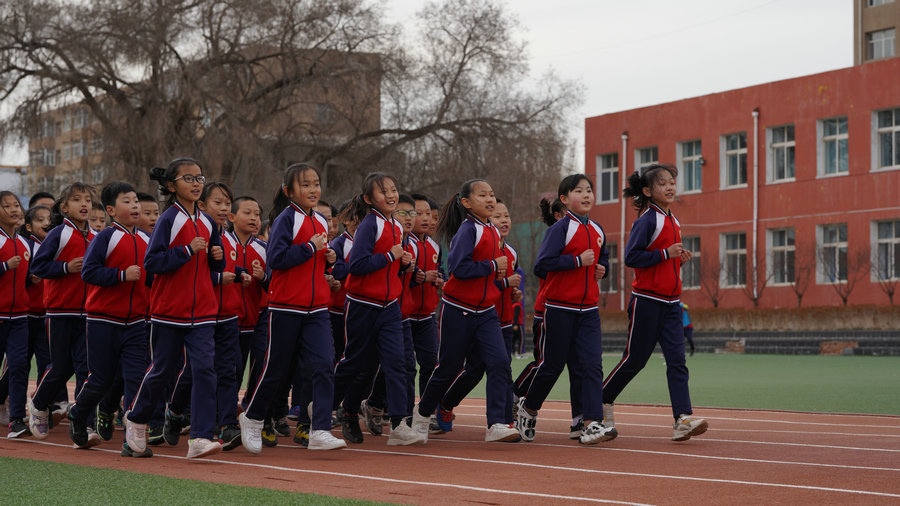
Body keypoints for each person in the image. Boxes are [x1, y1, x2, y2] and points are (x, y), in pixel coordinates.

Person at [238, 163, 346, 452]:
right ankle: (252, 416)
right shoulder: (286, 219)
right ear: (289, 191)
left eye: (316, 183)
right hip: (286, 307)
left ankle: (320, 429)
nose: (313, 189)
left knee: (324, 365)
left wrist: (329, 258)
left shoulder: (322, 222)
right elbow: (277, 258)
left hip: (317, 308)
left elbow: (316, 262)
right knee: (276, 368)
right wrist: (311, 248)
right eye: (305, 184)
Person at [123, 157, 225, 459]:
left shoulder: (208, 221)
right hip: (169, 312)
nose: (196, 184)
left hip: (204, 311)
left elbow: (213, 265)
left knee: (206, 370)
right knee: (163, 370)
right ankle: (137, 418)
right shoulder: (169, 219)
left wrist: (217, 257)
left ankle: (200, 437)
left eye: (199, 178)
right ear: (171, 185)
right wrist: (185, 250)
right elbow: (152, 263)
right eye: (188, 178)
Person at [602, 163, 708, 442]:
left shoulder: (674, 220)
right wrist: (664, 254)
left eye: (672, 182)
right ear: (648, 191)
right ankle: (600, 400)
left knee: (678, 361)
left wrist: (677, 260)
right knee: (635, 360)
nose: (670, 187)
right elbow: (631, 258)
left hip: (672, 304)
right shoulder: (648, 220)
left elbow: (662, 262)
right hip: (647, 302)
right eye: (663, 183)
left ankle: (682, 419)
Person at [411, 179, 520, 443]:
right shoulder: (468, 230)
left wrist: (501, 281)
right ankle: (422, 414)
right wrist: (493, 265)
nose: (490, 198)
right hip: (457, 310)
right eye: (483, 195)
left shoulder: (492, 231)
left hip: (486, 312)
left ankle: (496, 424)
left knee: (499, 362)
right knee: (448, 368)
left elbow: (486, 275)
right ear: (467, 203)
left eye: (492, 194)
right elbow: (459, 269)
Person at [515, 175, 617, 445]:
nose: (586, 195)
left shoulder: (597, 230)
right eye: (579, 191)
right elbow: (542, 265)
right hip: (559, 308)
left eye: (589, 190)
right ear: (564, 199)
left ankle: (590, 423)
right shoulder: (561, 229)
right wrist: (576, 261)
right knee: (552, 365)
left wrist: (602, 269)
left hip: (589, 310)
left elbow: (602, 258)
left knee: (592, 365)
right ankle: (528, 408)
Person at [331, 172, 424, 446]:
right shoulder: (370, 225)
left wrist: (404, 264)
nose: (391, 195)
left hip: (390, 307)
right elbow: (357, 266)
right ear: (369, 199)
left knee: (397, 363)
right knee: (354, 364)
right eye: (383, 192)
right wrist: (390, 256)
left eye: (393, 189)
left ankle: (398, 425)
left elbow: (390, 267)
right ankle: (324, 408)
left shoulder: (396, 225)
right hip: (362, 305)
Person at [67, 182, 149, 450]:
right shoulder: (106, 237)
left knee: (137, 378)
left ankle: (133, 437)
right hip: (103, 320)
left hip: (137, 322)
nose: (135, 205)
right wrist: (121, 275)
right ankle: (79, 414)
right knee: (101, 379)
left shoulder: (148, 239)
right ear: (112, 210)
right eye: (127, 201)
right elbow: (88, 272)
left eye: (136, 200)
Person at [28, 183, 97, 440]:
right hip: (59, 312)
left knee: (85, 368)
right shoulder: (58, 234)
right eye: (77, 199)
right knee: (60, 367)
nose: (84, 204)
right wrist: (66, 268)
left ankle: (84, 425)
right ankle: (38, 403)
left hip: (88, 312)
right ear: (65, 207)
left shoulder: (97, 237)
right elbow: (38, 266)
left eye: (88, 199)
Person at [199, 182, 247, 451]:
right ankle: (173, 414)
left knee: (230, 370)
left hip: (228, 316)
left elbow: (230, 266)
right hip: (202, 316)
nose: (224, 208)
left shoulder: (228, 238)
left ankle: (226, 424)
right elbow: (186, 276)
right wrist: (218, 278)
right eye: (217, 202)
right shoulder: (197, 235)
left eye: (227, 203)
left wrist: (240, 274)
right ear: (203, 206)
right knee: (197, 371)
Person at [0, 191, 32, 439]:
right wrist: (3, 266)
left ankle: (16, 419)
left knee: (20, 365)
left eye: (16, 205)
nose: (14, 209)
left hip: (20, 316)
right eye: (6, 206)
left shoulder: (24, 243)